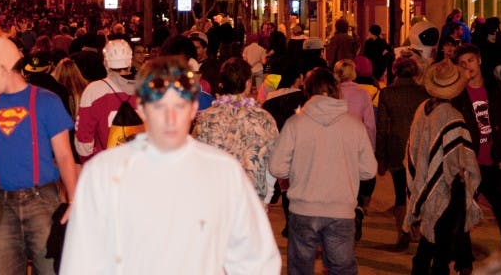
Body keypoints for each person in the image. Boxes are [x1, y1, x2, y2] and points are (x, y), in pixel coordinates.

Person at [62, 55, 281, 273]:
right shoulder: (104, 173)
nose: (170, 118)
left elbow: (256, 259)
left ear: (194, 108)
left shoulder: (223, 172)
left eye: (179, 106)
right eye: (159, 106)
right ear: (141, 107)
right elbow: (81, 261)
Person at [0, 36, 77, 275]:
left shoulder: (47, 102)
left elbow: (64, 156)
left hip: (42, 202)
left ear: (3, 68)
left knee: (49, 270)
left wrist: (73, 200)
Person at [269, 67, 377, 275]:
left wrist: (300, 169)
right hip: (341, 211)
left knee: (300, 269)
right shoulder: (354, 125)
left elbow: (277, 167)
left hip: (303, 209)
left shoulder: (295, 124)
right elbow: (369, 170)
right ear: (336, 89)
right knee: (342, 269)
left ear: (307, 91)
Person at [405, 59, 482, 274]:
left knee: (429, 238)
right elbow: (458, 160)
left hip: (425, 181)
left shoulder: (423, 109)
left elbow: (414, 147)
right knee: (442, 244)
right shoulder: (452, 116)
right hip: (447, 187)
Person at [451, 43, 501, 258]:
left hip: (493, 162)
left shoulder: (498, 93)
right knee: (461, 212)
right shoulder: (456, 97)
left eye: (471, 61)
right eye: (462, 63)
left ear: (479, 60)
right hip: (468, 165)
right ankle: (463, 258)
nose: (468, 66)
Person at [193, 57, 279, 203]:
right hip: (251, 198)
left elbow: (197, 162)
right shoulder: (264, 118)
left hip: (216, 198)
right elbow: (273, 163)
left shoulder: (206, 118)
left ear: (222, 83)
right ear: (248, 83)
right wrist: (266, 198)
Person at [375, 56, 429, 251]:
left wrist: (380, 155)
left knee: (400, 193)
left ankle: (402, 233)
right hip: (419, 147)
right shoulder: (423, 93)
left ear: (395, 71)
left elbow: (382, 127)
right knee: (418, 190)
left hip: (396, 147)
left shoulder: (387, 93)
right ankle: (417, 229)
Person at [75, 38, 142, 162]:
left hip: (107, 165)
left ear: (105, 62)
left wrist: (90, 163)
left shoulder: (94, 91)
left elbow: (83, 141)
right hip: (141, 165)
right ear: (130, 61)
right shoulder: (147, 88)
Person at [333, 58, 377, 241]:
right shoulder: (362, 93)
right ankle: (357, 210)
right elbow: (370, 124)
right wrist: (371, 148)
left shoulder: (332, 93)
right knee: (357, 182)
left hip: (336, 145)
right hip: (358, 145)